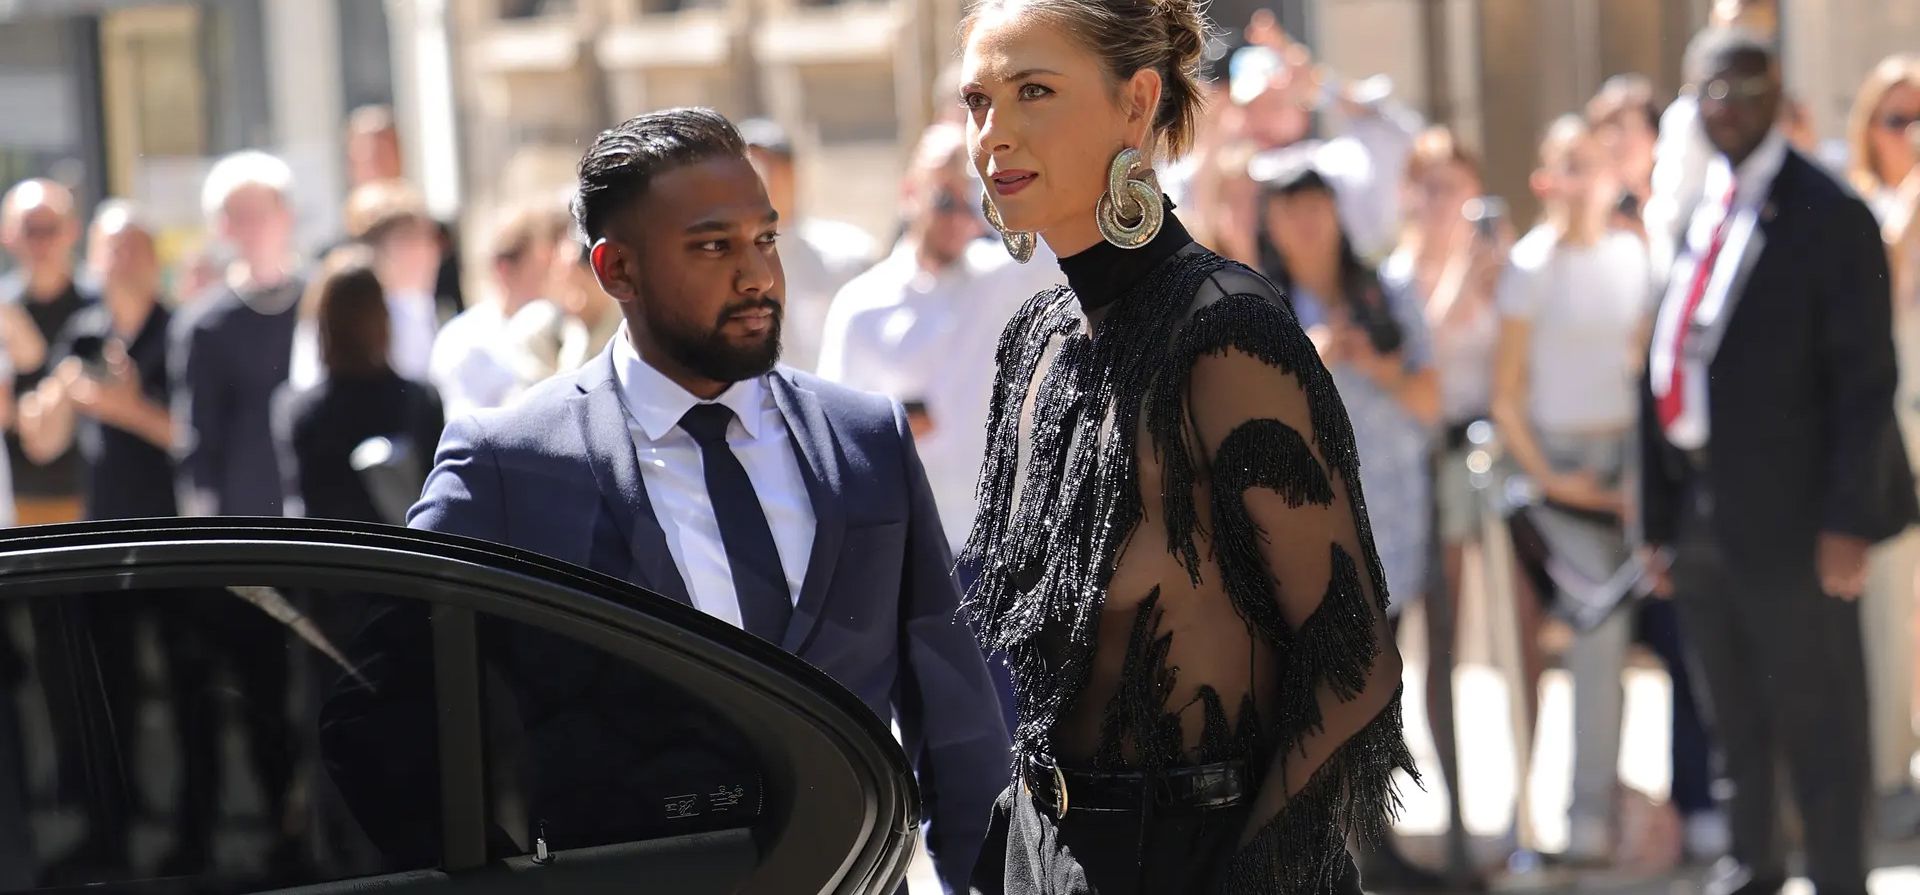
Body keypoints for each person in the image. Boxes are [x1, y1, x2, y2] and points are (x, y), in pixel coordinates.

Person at [330, 108, 1008, 893]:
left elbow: (961, 735)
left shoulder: (866, 439)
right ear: (617, 270)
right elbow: (376, 721)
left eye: (765, 238)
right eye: (713, 245)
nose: (756, 274)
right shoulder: (509, 463)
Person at [956, 0, 1415, 890]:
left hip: (1201, 856)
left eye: (1033, 92)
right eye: (977, 101)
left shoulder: (1227, 331)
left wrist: (1254, 871)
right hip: (1041, 849)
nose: (994, 134)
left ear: (1137, 103)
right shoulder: (1036, 338)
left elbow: (1354, 662)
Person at [1639, 29, 1917, 895]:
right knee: (1735, 716)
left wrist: (1846, 522)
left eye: (1745, 89)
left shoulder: (1829, 213)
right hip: (1700, 507)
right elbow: (1662, 362)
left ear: (1779, 94)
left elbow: (1867, 384)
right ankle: (1751, 868)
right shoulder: (1699, 208)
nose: (1728, 107)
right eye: (1710, 93)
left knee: (1822, 721)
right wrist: (1656, 522)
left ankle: (1839, 878)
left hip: (1799, 516)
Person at [1251, 149, 1439, 890]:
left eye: (1316, 202)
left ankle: (1375, 845)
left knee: (1377, 690)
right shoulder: (1257, 302)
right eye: (1288, 205)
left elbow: (1431, 400)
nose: (1305, 219)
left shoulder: (1386, 294)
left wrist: (1373, 360)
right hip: (1300, 537)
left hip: (1390, 529)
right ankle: (1337, 849)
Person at [1490, 115, 1651, 865]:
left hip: (1631, 465)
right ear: (1546, 178)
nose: (1587, 177)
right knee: (1599, 631)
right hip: (1563, 474)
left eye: (1596, 162)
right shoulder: (1530, 265)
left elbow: (1647, 370)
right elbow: (1507, 395)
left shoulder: (1631, 255)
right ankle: (1585, 818)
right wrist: (1558, 481)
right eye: (1572, 164)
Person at [13, 202, 175, 880]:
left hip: (182, 544)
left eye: (132, 248)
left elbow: (187, 436)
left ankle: (192, 839)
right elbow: (41, 436)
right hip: (102, 543)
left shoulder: (178, 330)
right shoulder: (84, 331)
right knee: (103, 695)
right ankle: (110, 837)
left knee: (188, 692)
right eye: (110, 251)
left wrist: (123, 405)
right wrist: (56, 389)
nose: (119, 263)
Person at [1387, 125, 1501, 888]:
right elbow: (1431, 335)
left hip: (1478, 463)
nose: (1441, 200)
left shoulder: (1496, 260)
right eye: (1427, 185)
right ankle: (1399, 829)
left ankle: (1465, 823)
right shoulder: (1396, 274)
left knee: (1456, 656)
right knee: (1400, 660)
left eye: (1453, 184)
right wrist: (1463, 263)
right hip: (1406, 474)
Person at [1847, 52, 1920, 830]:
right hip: (1896, 424)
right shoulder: (1861, 205)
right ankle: (1890, 772)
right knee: (1893, 603)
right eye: (1900, 118)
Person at [172, 150, 305, 518]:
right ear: (221, 228)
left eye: (261, 213)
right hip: (247, 519)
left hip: (323, 515)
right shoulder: (205, 324)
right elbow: (197, 436)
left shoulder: (319, 305)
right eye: (238, 217)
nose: (253, 228)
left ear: (287, 216)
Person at [274, 251, 444, 524]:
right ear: (384, 319)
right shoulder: (420, 401)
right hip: (408, 561)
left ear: (322, 325)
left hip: (334, 561)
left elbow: (303, 507)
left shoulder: (299, 411)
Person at [736, 118, 879, 373]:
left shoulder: (848, 256)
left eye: (770, 165)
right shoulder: (722, 268)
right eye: (750, 167)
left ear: (793, 173)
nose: (762, 177)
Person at [293, 180, 445, 389]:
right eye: (410, 242)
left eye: (427, 241)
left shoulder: (418, 306)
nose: (428, 254)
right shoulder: (344, 313)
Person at [429, 204, 576, 418]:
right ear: (504, 268)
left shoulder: (572, 329)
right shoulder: (464, 341)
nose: (557, 275)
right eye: (543, 267)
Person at [1, 178, 86, 527]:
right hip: (17, 504)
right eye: (29, 229)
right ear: (8, 234)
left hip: (96, 501)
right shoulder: (4, 311)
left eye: (49, 228)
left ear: (72, 231)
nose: (40, 242)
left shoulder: (101, 306)